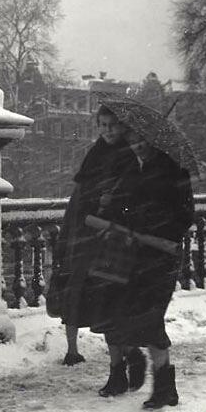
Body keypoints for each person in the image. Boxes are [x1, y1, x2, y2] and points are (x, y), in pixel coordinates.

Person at [96, 130, 195, 409]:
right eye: (133, 142)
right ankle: (152, 382)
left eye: (143, 141)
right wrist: (110, 208)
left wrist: (150, 229)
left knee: (151, 319)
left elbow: (185, 217)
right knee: (123, 313)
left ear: (155, 141)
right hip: (132, 255)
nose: (138, 146)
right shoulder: (131, 172)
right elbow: (122, 208)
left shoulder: (176, 174)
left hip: (161, 257)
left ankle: (164, 388)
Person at [52, 106, 138, 365]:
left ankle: (123, 351)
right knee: (75, 288)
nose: (107, 130)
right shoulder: (95, 154)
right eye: (102, 125)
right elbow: (81, 193)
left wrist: (114, 204)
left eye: (112, 125)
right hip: (84, 230)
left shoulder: (130, 156)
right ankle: (72, 349)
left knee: (111, 291)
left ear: (122, 126)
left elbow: (133, 196)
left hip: (112, 234)